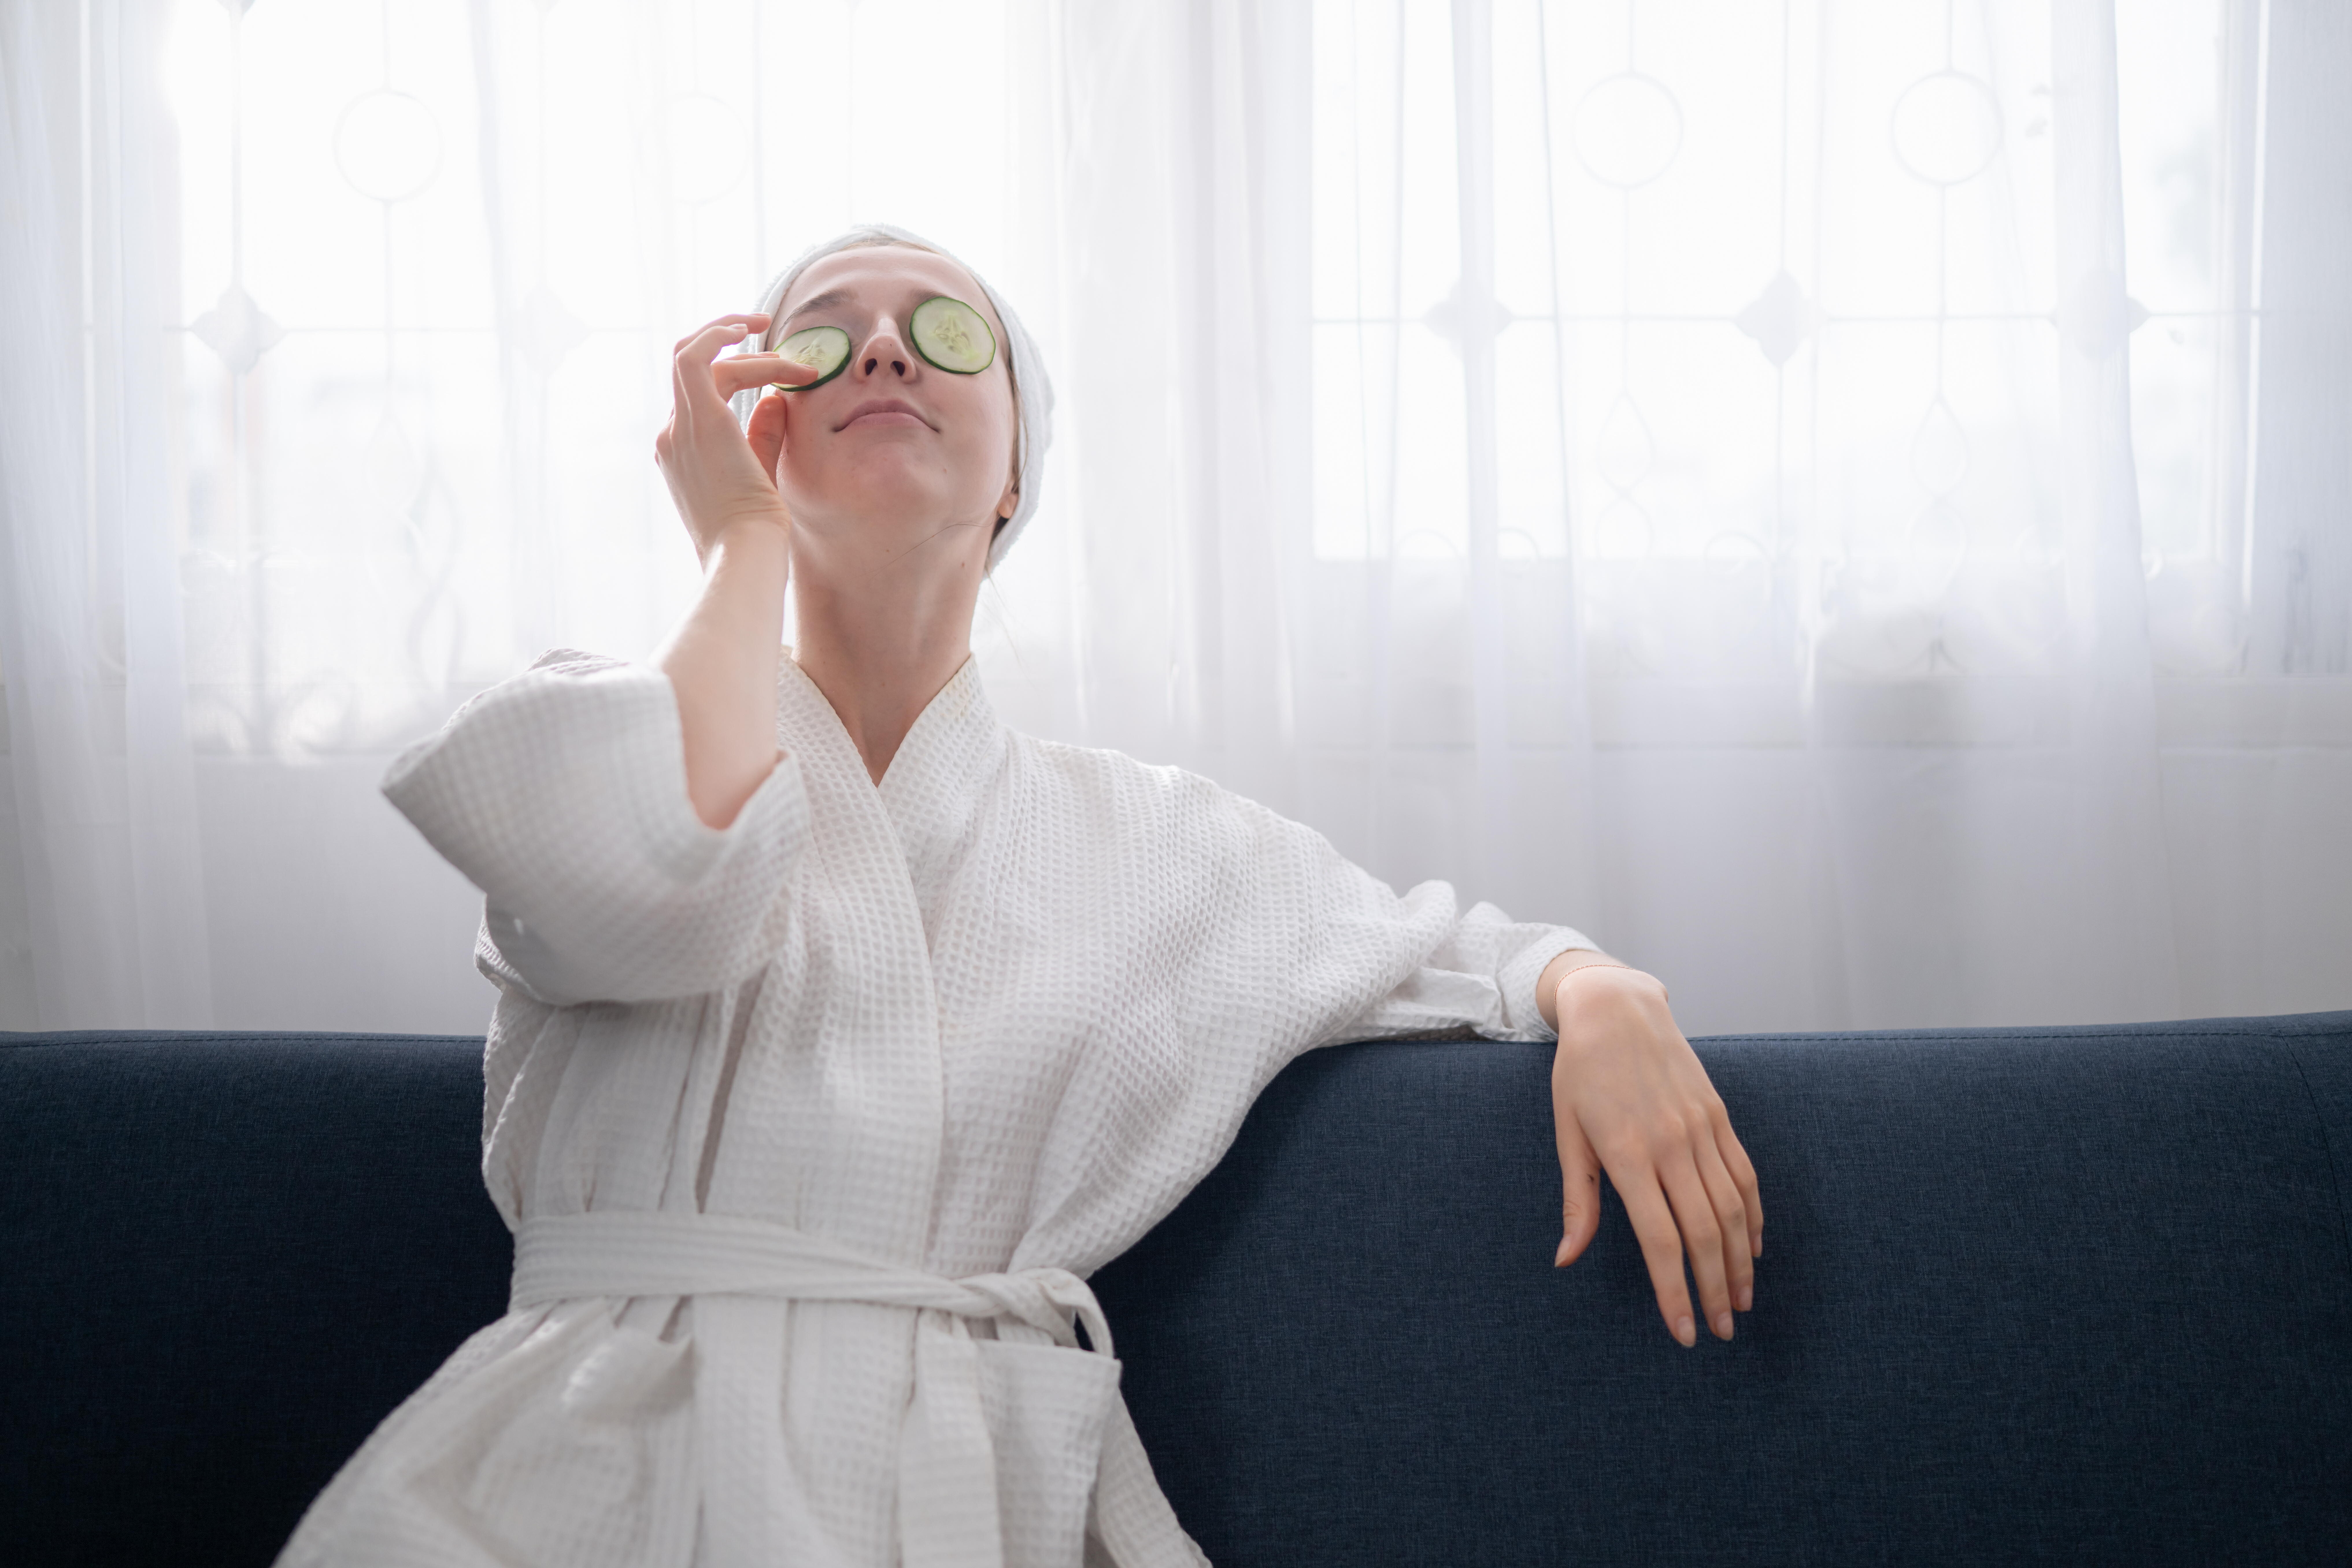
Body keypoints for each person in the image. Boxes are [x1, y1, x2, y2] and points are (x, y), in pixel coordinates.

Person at [274, 225, 1761, 1568]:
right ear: (758, 431)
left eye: (944, 332)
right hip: (564, 1473)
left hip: (952, 1489)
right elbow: (659, 886)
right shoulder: (587, 727)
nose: (880, 348)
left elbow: (1448, 955)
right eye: (826, 328)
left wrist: (1598, 989)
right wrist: (737, 544)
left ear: (1011, 477)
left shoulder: (1155, 841)